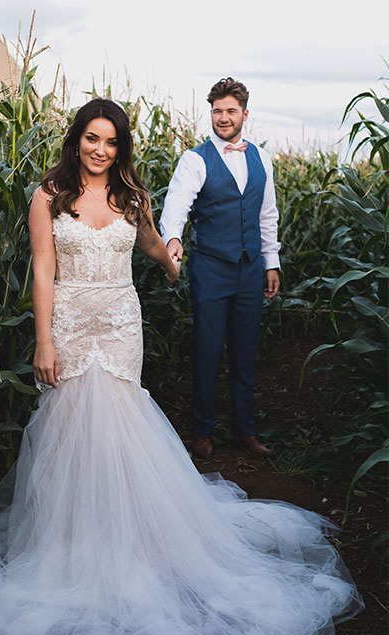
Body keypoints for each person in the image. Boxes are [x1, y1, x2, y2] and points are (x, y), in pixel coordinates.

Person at [0, 99, 361, 635]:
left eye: (111, 141)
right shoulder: (49, 196)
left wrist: (170, 259)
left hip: (118, 323)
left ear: (121, 147)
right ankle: (71, 543)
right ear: (76, 140)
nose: (100, 150)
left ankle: (130, 539)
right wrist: (43, 340)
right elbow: (41, 270)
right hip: (70, 323)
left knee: (119, 427)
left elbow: (150, 247)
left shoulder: (130, 196)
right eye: (91, 138)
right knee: (68, 431)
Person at [160, 77, 280, 460]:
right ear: (210, 113)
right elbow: (175, 206)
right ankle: (202, 431)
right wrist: (173, 239)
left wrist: (271, 262)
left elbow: (266, 215)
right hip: (211, 268)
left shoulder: (261, 158)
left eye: (230, 111)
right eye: (217, 111)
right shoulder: (195, 159)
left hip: (250, 270)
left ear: (245, 114)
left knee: (246, 353)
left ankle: (245, 431)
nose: (223, 117)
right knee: (208, 351)